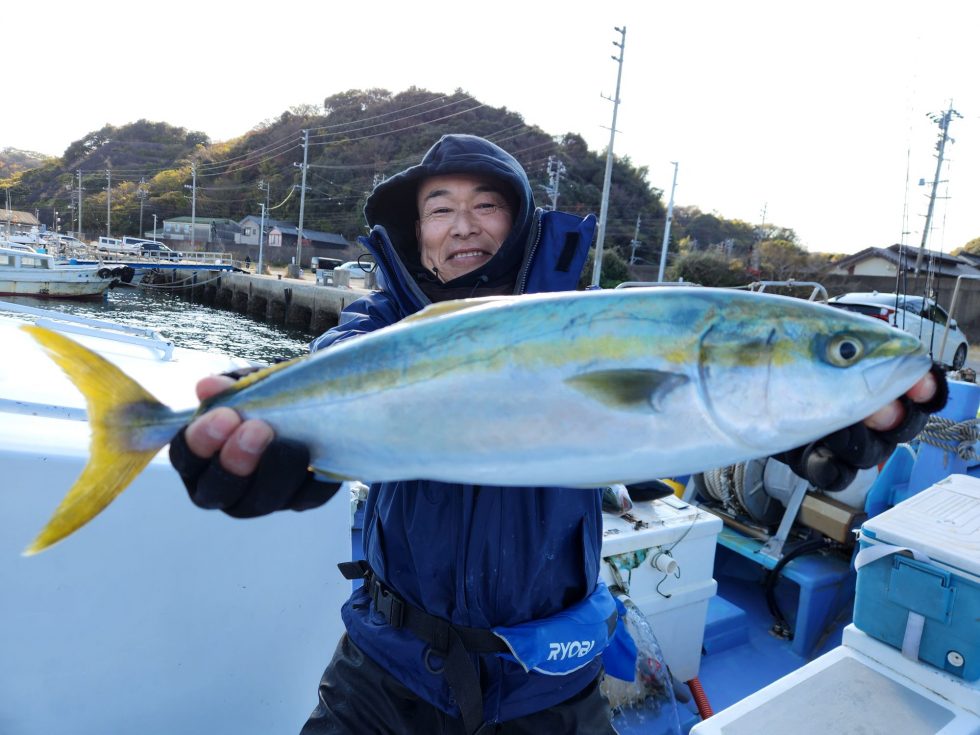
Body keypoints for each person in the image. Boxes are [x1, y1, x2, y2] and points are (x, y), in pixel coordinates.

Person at [169, 134, 945, 734]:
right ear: (416, 234)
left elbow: (691, 413)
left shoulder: (608, 326)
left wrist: (804, 425)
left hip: (549, 684)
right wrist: (264, 429)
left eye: (487, 205)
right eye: (440, 208)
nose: (463, 226)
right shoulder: (378, 325)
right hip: (384, 669)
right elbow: (339, 365)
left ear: (520, 222)